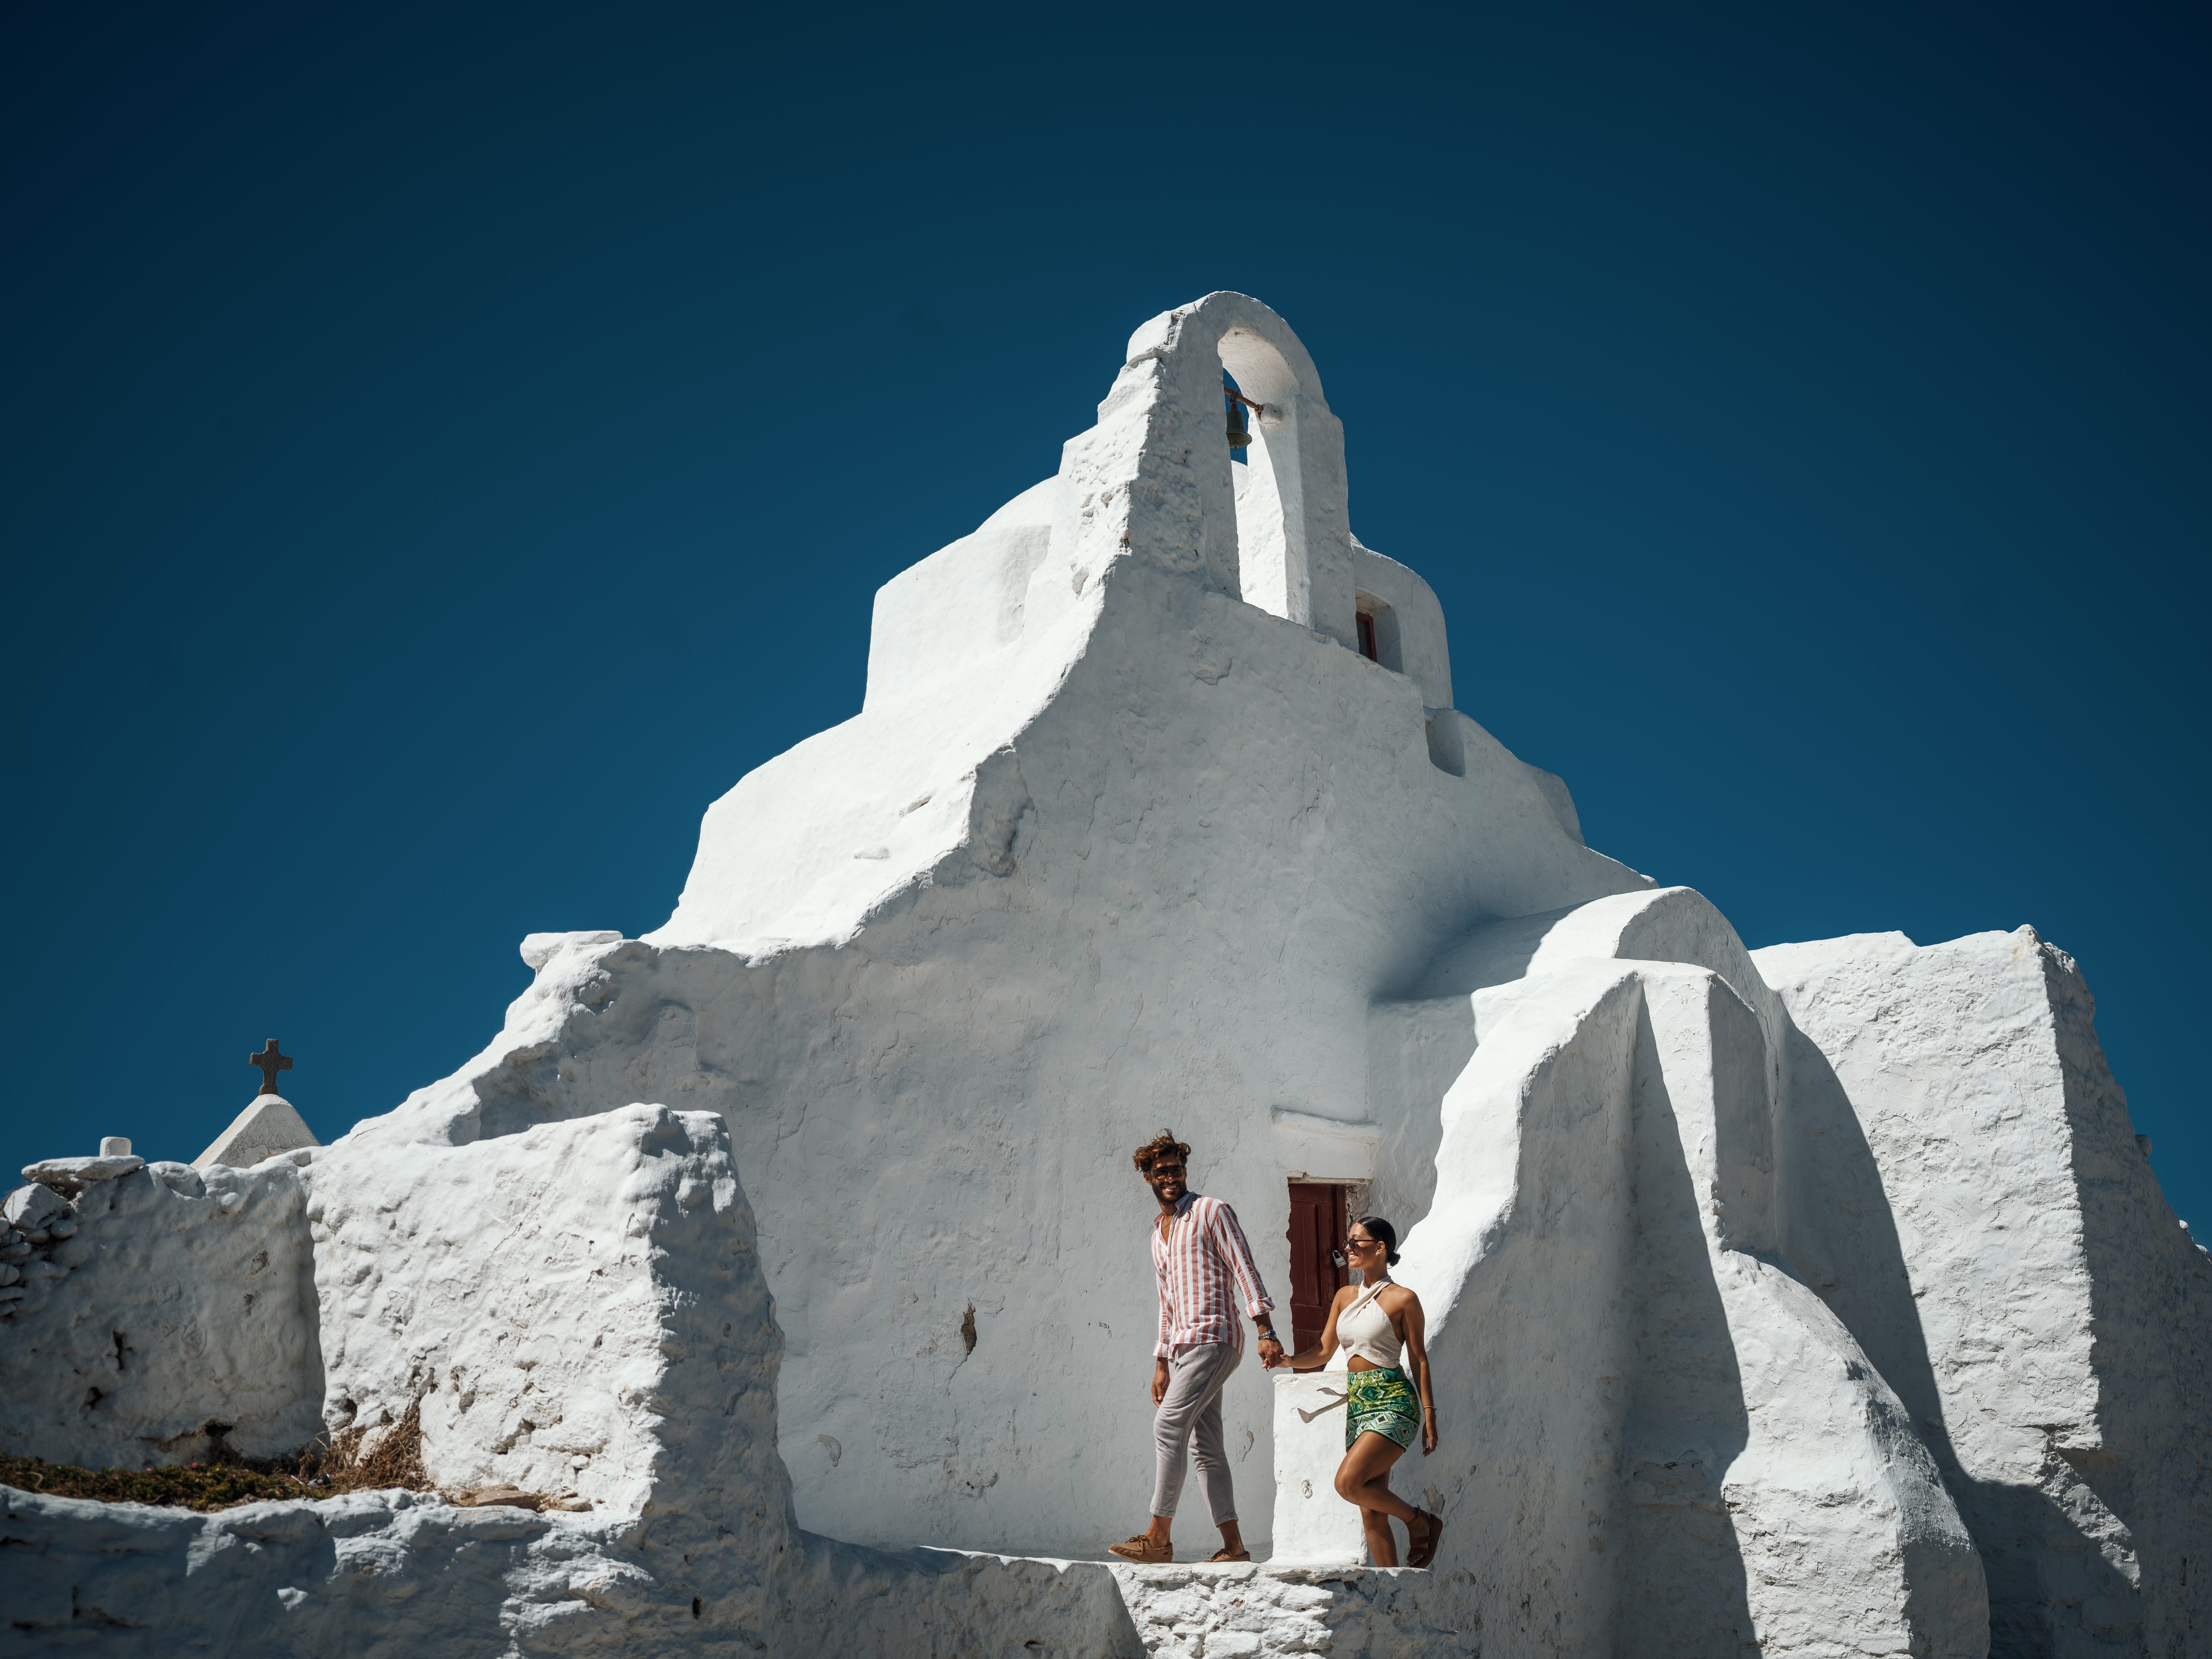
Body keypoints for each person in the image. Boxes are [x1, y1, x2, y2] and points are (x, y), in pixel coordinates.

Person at [1109, 1129, 1286, 1564]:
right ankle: (1235, 1547)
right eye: (1160, 1171)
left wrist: (1265, 1330)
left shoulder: (1211, 1211)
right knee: (1206, 1447)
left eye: (1176, 1169)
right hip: (1183, 1347)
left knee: (1168, 1427)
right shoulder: (1158, 1234)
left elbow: (1245, 1267)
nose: (1170, 1176)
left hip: (1215, 1337)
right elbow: (1166, 1301)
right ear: (1148, 1177)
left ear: (1185, 1171)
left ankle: (1157, 1538)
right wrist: (1161, 1361)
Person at [1281, 1216, 1443, 1568]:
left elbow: (1418, 1358)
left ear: (1380, 1248)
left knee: (1348, 1483)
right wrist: (1288, 1359)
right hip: (1360, 1405)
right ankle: (1391, 1593)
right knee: (1371, 1511)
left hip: (1394, 1402)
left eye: (1357, 1242)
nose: (1348, 1249)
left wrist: (1430, 1413)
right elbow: (1324, 1351)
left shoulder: (1404, 1299)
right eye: (1348, 1242)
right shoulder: (1344, 1296)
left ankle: (1420, 1522)